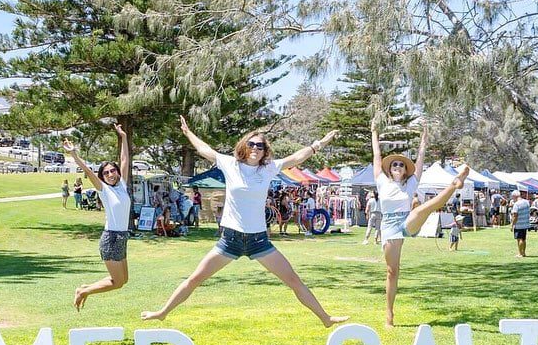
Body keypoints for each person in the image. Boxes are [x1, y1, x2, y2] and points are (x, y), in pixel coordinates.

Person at [141, 116, 349, 327]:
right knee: (195, 279)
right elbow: (206, 150)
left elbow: (296, 158)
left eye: (260, 146)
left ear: (264, 150)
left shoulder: (268, 168)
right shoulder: (230, 164)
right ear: (244, 145)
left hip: (259, 240)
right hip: (230, 239)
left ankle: (325, 318)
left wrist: (319, 144)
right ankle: (163, 312)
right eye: (252, 144)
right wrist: (188, 133)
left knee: (293, 280)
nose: (255, 148)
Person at [371, 117, 469, 327]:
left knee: (426, 207)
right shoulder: (381, 181)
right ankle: (389, 313)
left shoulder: (412, 182)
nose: (397, 166)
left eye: (401, 165)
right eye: (394, 164)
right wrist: (374, 133)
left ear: (406, 170)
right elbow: (376, 156)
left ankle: (455, 184)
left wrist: (425, 134)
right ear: (390, 169)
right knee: (392, 271)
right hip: (389, 226)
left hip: (407, 220)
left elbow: (421, 156)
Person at [65, 124, 132, 310]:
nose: (110, 174)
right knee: (117, 282)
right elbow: (87, 171)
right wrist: (74, 154)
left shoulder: (122, 186)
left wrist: (124, 137)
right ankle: (83, 291)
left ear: (117, 172)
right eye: (106, 173)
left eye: (113, 170)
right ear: (102, 177)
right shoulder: (104, 190)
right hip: (110, 239)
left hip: (121, 238)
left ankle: (86, 288)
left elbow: (125, 158)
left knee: (123, 280)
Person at [510, 189, 531, 258]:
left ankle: (520, 253)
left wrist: (512, 224)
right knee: (524, 239)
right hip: (525, 223)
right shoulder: (527, 202)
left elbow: (515, 215)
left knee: (519, 239)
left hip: (518, 224)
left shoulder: (516, 204)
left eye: (512, 197)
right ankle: (524, 253)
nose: (512, 199)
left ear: (515, 196)